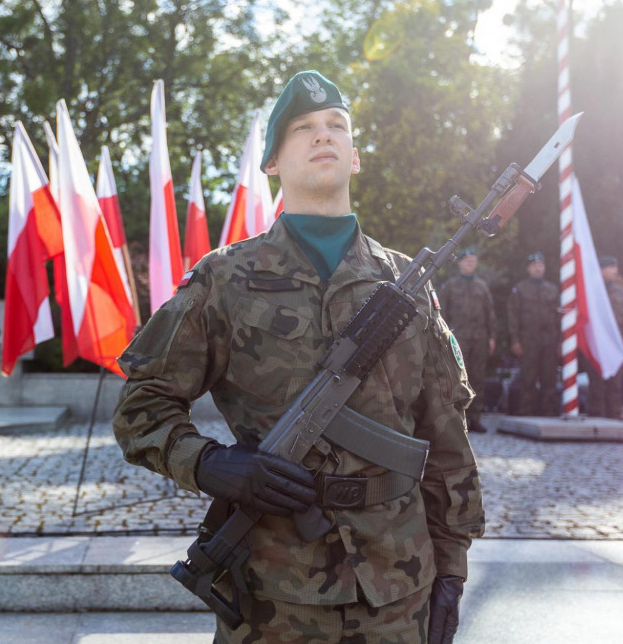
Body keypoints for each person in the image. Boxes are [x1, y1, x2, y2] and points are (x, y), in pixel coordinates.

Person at [113, 70, 484, 643]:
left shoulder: (405, 285)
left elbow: (446, 436)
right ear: (272, 164)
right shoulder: (225, 278)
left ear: (355, 157)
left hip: (397, 584)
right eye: (302, 129)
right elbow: (142, 405)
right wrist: (211, 464)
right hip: (272, 591)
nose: (322, 136)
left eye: (336, 126)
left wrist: (452, 571)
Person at [439, 248, 496, 432]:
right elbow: (441, 313)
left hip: (479, 339)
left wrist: (492, 337)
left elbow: (490, 314)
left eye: (473, 260)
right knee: (457, 378)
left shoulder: (482, 287)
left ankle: (475, 418)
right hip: (458, 339)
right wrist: (442, 337)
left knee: (478, 378)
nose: (471, 263)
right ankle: (457, 418)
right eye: (467, 260)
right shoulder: (450, 285)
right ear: (460, 263)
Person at [507, 252, 561, 415]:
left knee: (549, 377)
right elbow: (513, 316)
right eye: (534, 266)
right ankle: (526, 410)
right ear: (528, 269)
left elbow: (559, 317)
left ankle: (548, 411)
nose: (538, 269)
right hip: (528, 340)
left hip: (549, 339)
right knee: (528, 377)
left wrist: (560, 341)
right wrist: (515, 340)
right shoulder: (520, 289)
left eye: (541, 265)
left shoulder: (552, 289)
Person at [588, 256, 623, 419]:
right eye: (610, 267)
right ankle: (597, 418)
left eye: (615, 267)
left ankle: (614, 420)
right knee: (596, 384)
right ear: (601, 270)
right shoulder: (591, 291)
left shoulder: (622, 292)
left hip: (616, 344)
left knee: (615, 385)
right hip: (596, 344)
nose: (614, 271)